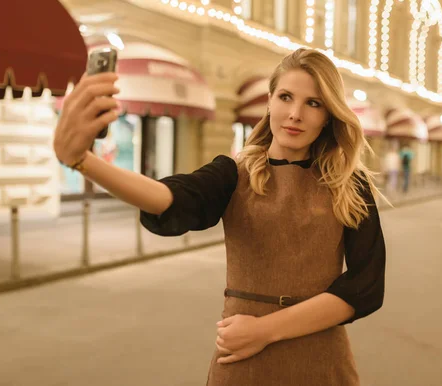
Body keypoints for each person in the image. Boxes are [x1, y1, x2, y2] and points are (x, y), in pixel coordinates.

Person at [53, 48, 386, 386]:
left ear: (328, 115)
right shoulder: (233, 174)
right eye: (286, 97)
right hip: (243, 359)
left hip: (319, 358)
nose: (295, 114)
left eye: (313, 103)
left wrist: (264, 330)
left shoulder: (348, 184)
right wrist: (83, 161)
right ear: (270, 101)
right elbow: (171, 198)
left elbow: (366, 287)